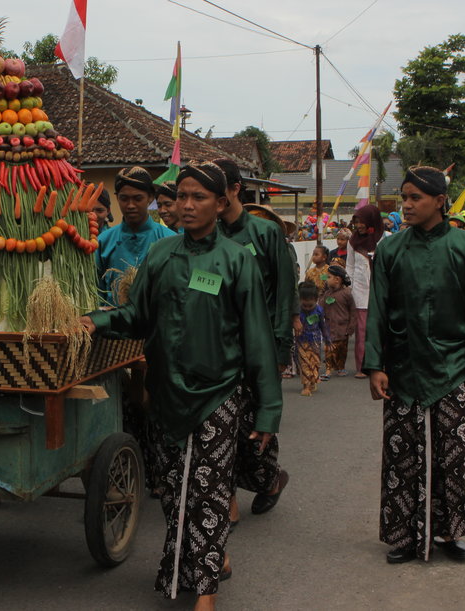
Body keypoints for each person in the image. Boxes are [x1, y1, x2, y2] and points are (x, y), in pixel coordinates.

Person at [81, 161, 282, 610]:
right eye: (183, 197)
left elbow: (258, 340)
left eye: (199, 197)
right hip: (165, 393)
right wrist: (92, 321)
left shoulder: (236, 260)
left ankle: (205, 593)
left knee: (209, 490)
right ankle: (207, 561)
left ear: (221, 202)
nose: (187, 206)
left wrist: (268, 410)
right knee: (173, 490)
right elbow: (136, 317)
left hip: (219, 394)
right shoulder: (161, 255)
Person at [364, 165, 465, 565]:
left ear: (440, 201)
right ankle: (403, 536)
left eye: (415, 198)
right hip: (403, 369)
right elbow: (379, 311)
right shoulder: (390, 249)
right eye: (403, 197)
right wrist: (375, 365)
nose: (406, 205)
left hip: (454, 369)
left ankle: (449, 532)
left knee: (452, 455)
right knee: (403, 457)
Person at [215, 158, 293, 524]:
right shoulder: (206, 236)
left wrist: (279, 349)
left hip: (260, 348)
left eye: (215, 190)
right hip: (219, 349)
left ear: (234, 189)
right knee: (218, 426)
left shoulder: (266, 234)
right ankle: (226, 497)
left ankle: (270, 480)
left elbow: (283, 294)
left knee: (254, 430)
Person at [95, 166, 176, 306]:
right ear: (117, 198)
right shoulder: (103, 241)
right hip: (113, 323)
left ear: (150, 198)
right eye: (124, 199)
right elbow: (96, 291)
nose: (130, 205)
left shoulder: (170, 240)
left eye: (137, 198)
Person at [346, 205, 385, 379]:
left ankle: (380, 365)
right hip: (360, 291)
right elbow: (350, 266)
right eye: (357, 222)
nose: (359, 225)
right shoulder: (352, 241)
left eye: (362, 221)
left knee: (381, 329)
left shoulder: (384, 239)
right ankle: (361, 367)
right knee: (362, 331)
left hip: (381, 291)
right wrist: (351, 287)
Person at [320, 264, 356, 378]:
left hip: (343, 329)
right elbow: (321, 308)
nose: (326, 279)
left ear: (337, 280)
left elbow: (353, 312)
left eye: (328, 277)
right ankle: (328, 370)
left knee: (342, 351)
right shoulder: (327, 294)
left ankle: (341, 367)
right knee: (328, 350)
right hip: (329, 328)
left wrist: (351, 328)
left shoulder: (347, 294)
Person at [295, 281, 330, 396]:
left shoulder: (319, 311)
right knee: (304, 363)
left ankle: (313, 380)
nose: (308, 308)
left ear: (316, 300)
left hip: (315, 341)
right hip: (301, 341)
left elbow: (323, 326)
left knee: (315, 363)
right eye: (304, 305)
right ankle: (305, 386)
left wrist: (327, 339)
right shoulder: (297, 312)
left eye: (310, 305)